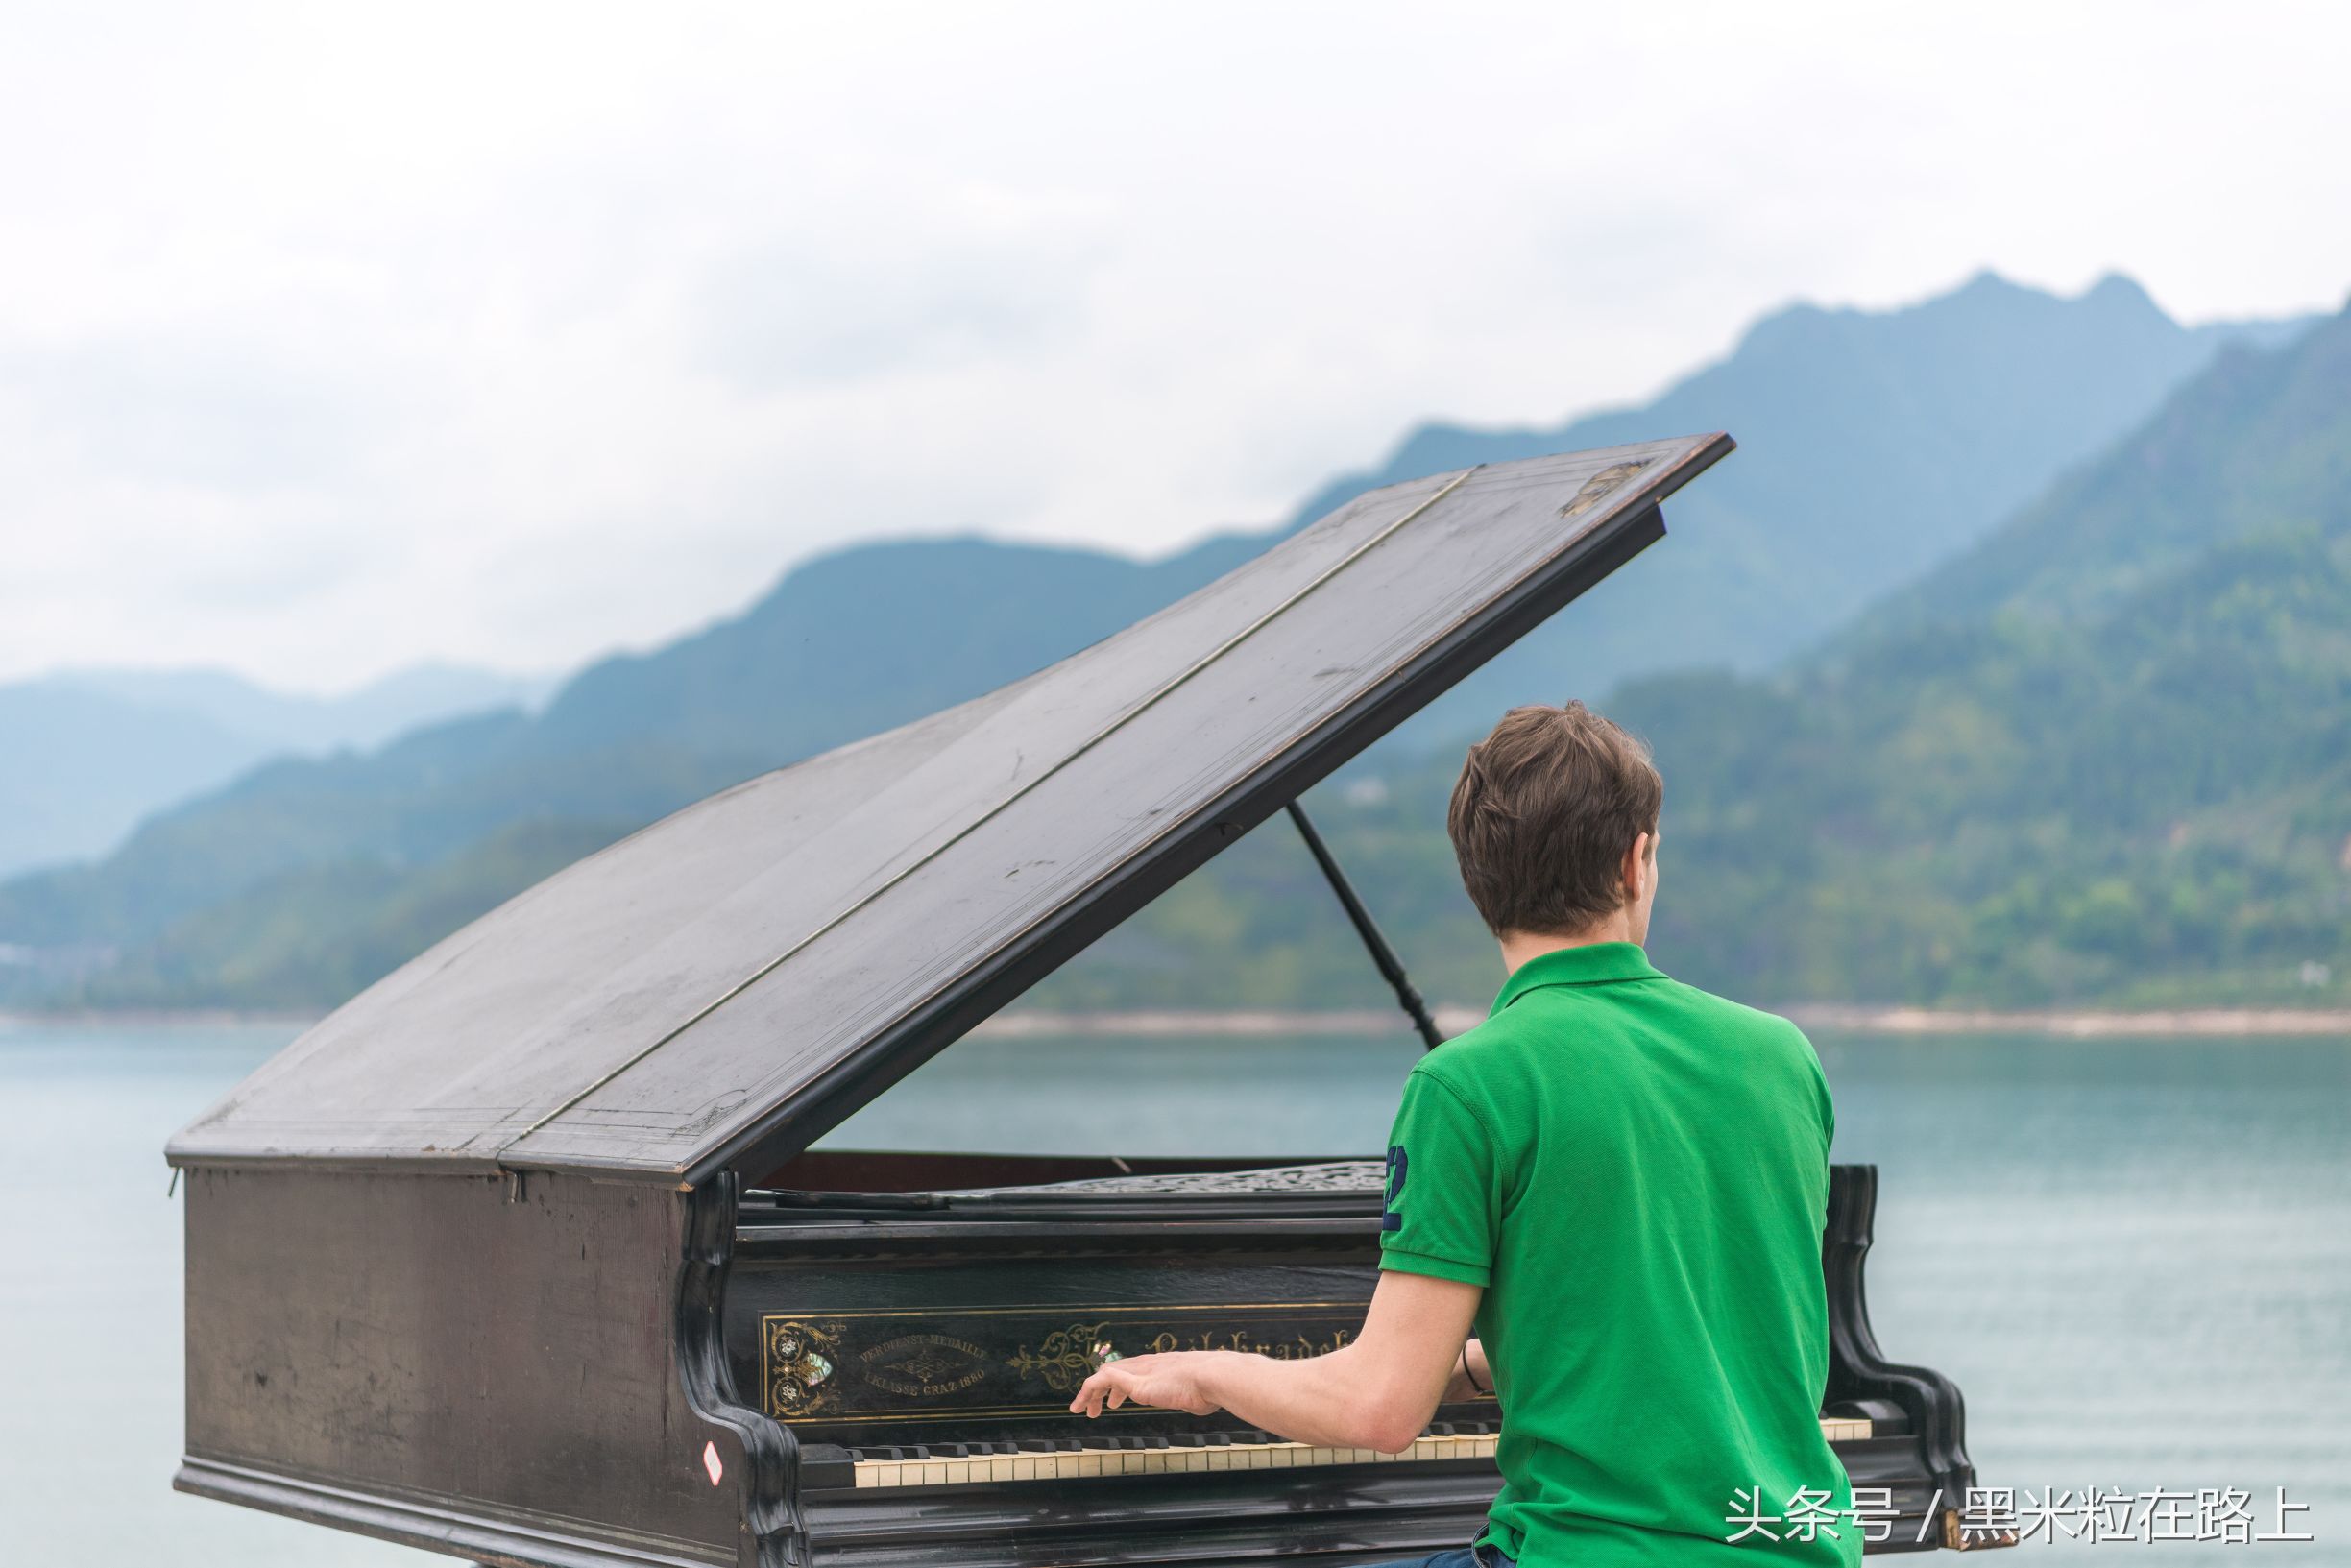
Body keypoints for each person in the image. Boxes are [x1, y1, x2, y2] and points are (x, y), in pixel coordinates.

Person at [1071, 702, 1858, 1568]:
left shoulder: (1469, 1085)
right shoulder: (1783, 1058)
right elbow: (1684, 1314)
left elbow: (1380, 1409)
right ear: (1636, 861)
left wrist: (1208, 1372)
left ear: (1478, 881)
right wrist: (1486, 1361)